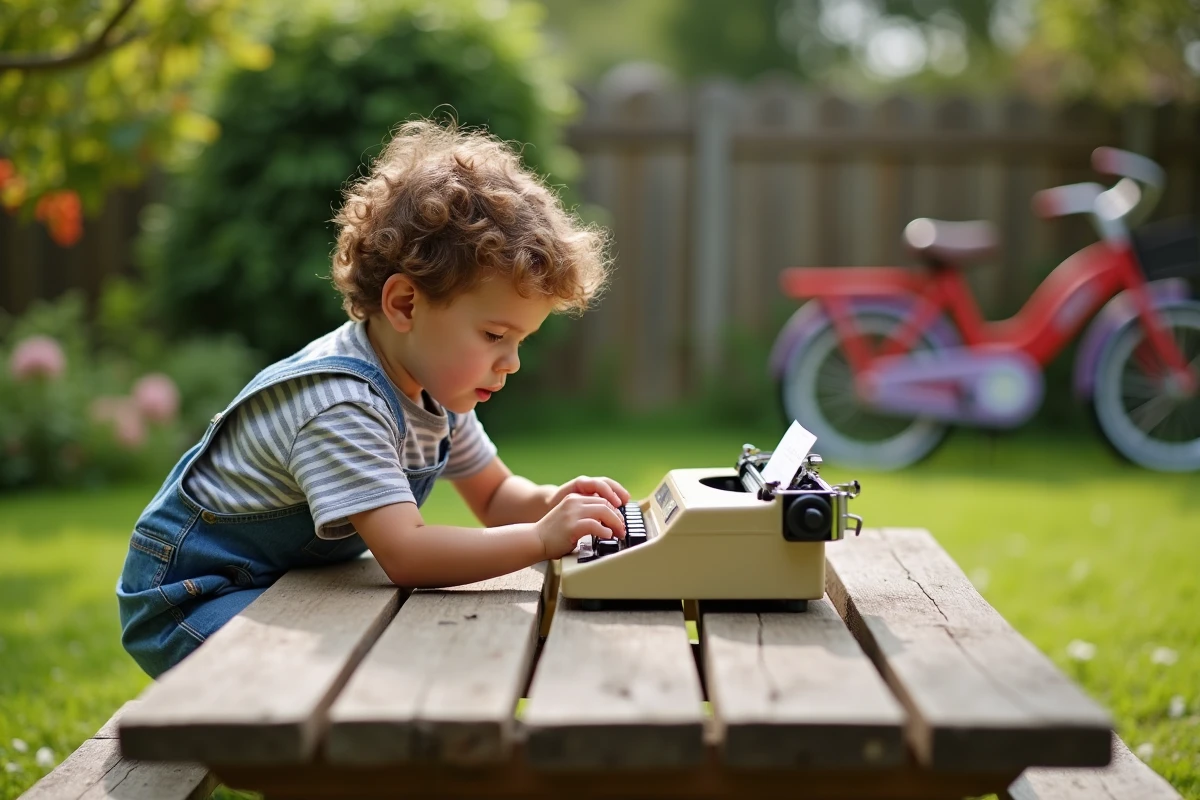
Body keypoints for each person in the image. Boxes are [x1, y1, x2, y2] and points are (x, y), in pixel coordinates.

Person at [117, 119, 629, 678]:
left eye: (520, 341)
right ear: (405, 304)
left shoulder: (435, 391)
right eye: (493, 336)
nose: (512, 362)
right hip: (197, 598)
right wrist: (537, 540)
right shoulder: (342, 403)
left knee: (412, 654)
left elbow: (497, 495)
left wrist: (555, 504)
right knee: (354, 675)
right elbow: (407, 555)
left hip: (288, 584)